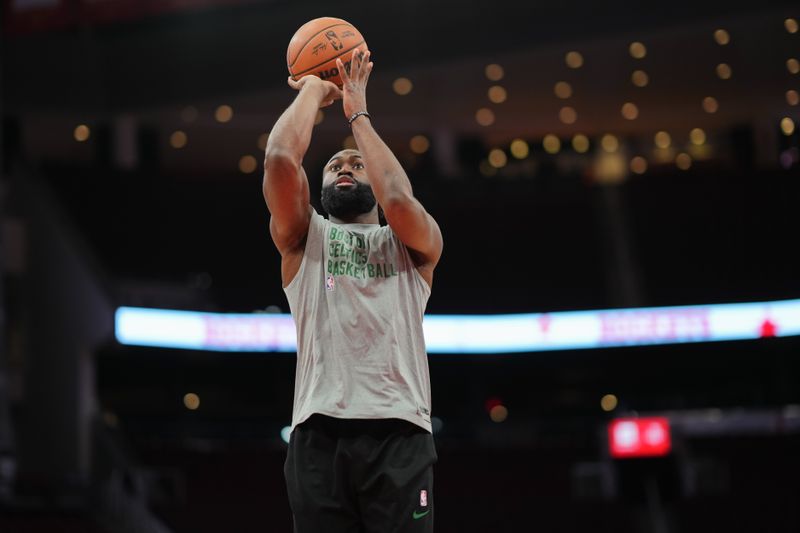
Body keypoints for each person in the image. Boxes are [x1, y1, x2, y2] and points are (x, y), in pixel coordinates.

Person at [262, 47, 444, 533]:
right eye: (334, 166)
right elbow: (280, 158)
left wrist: (356, 113)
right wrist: (314, 93)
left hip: (400, 432)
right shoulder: (305, 239)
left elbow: (400, 198)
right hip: (318, 434)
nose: (345, 167)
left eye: (357, 165)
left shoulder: (413, 244)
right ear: (320, 190)